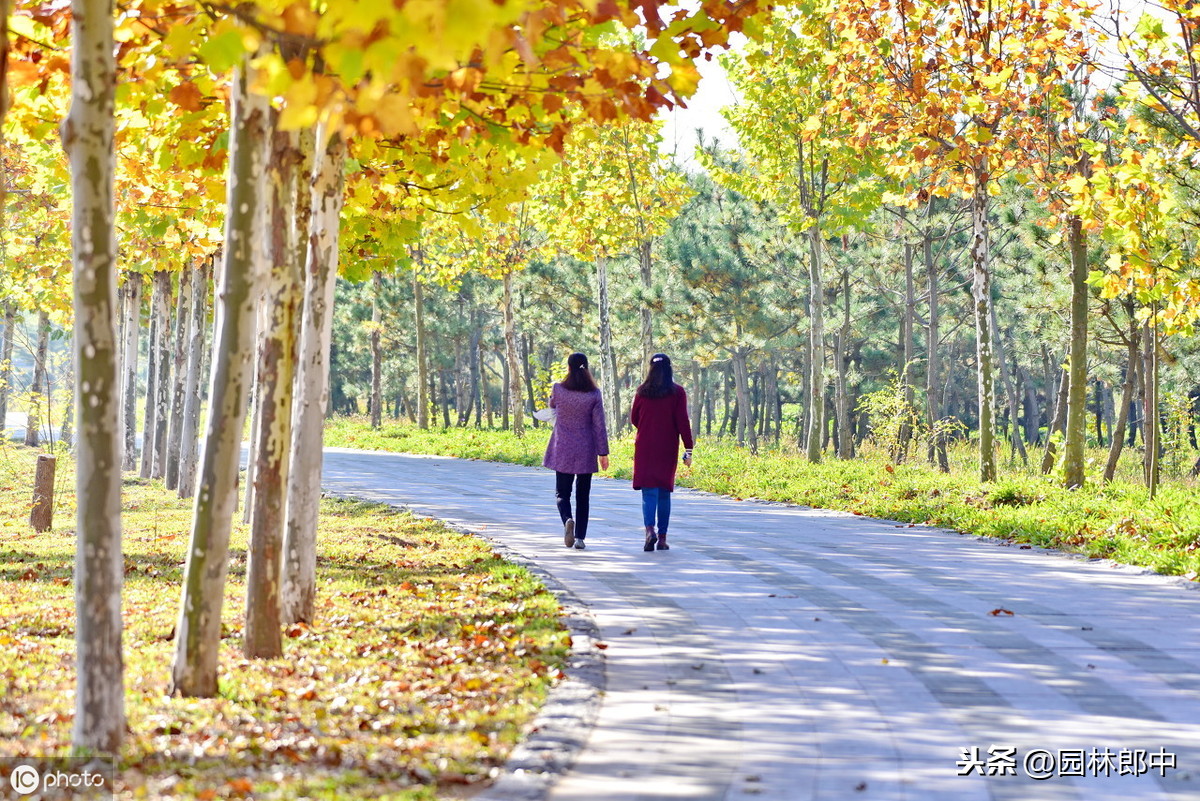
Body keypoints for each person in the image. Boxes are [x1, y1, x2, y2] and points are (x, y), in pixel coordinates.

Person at [542, 352, 609, 550]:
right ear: (586, 369)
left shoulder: (558, 389)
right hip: (586, 448)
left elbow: (552, 406)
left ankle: (567, 520)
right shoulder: (594, 394)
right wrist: (603, 453)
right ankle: (580, 538)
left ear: (569, 368)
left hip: (562, 446)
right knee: (583, 494)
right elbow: (599, 425)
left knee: (562, 492)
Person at [631, 353, 694, 552]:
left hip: (645, 446)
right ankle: (663, 538)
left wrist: (648, 426)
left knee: (648, 492)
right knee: (664, 493)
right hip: (667, 446)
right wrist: (688, 447)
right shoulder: (677, 392)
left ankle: (649, 530)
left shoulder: (642, 391)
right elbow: (682, 421)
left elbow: (634, 418)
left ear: (651, 369)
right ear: (669, 369)